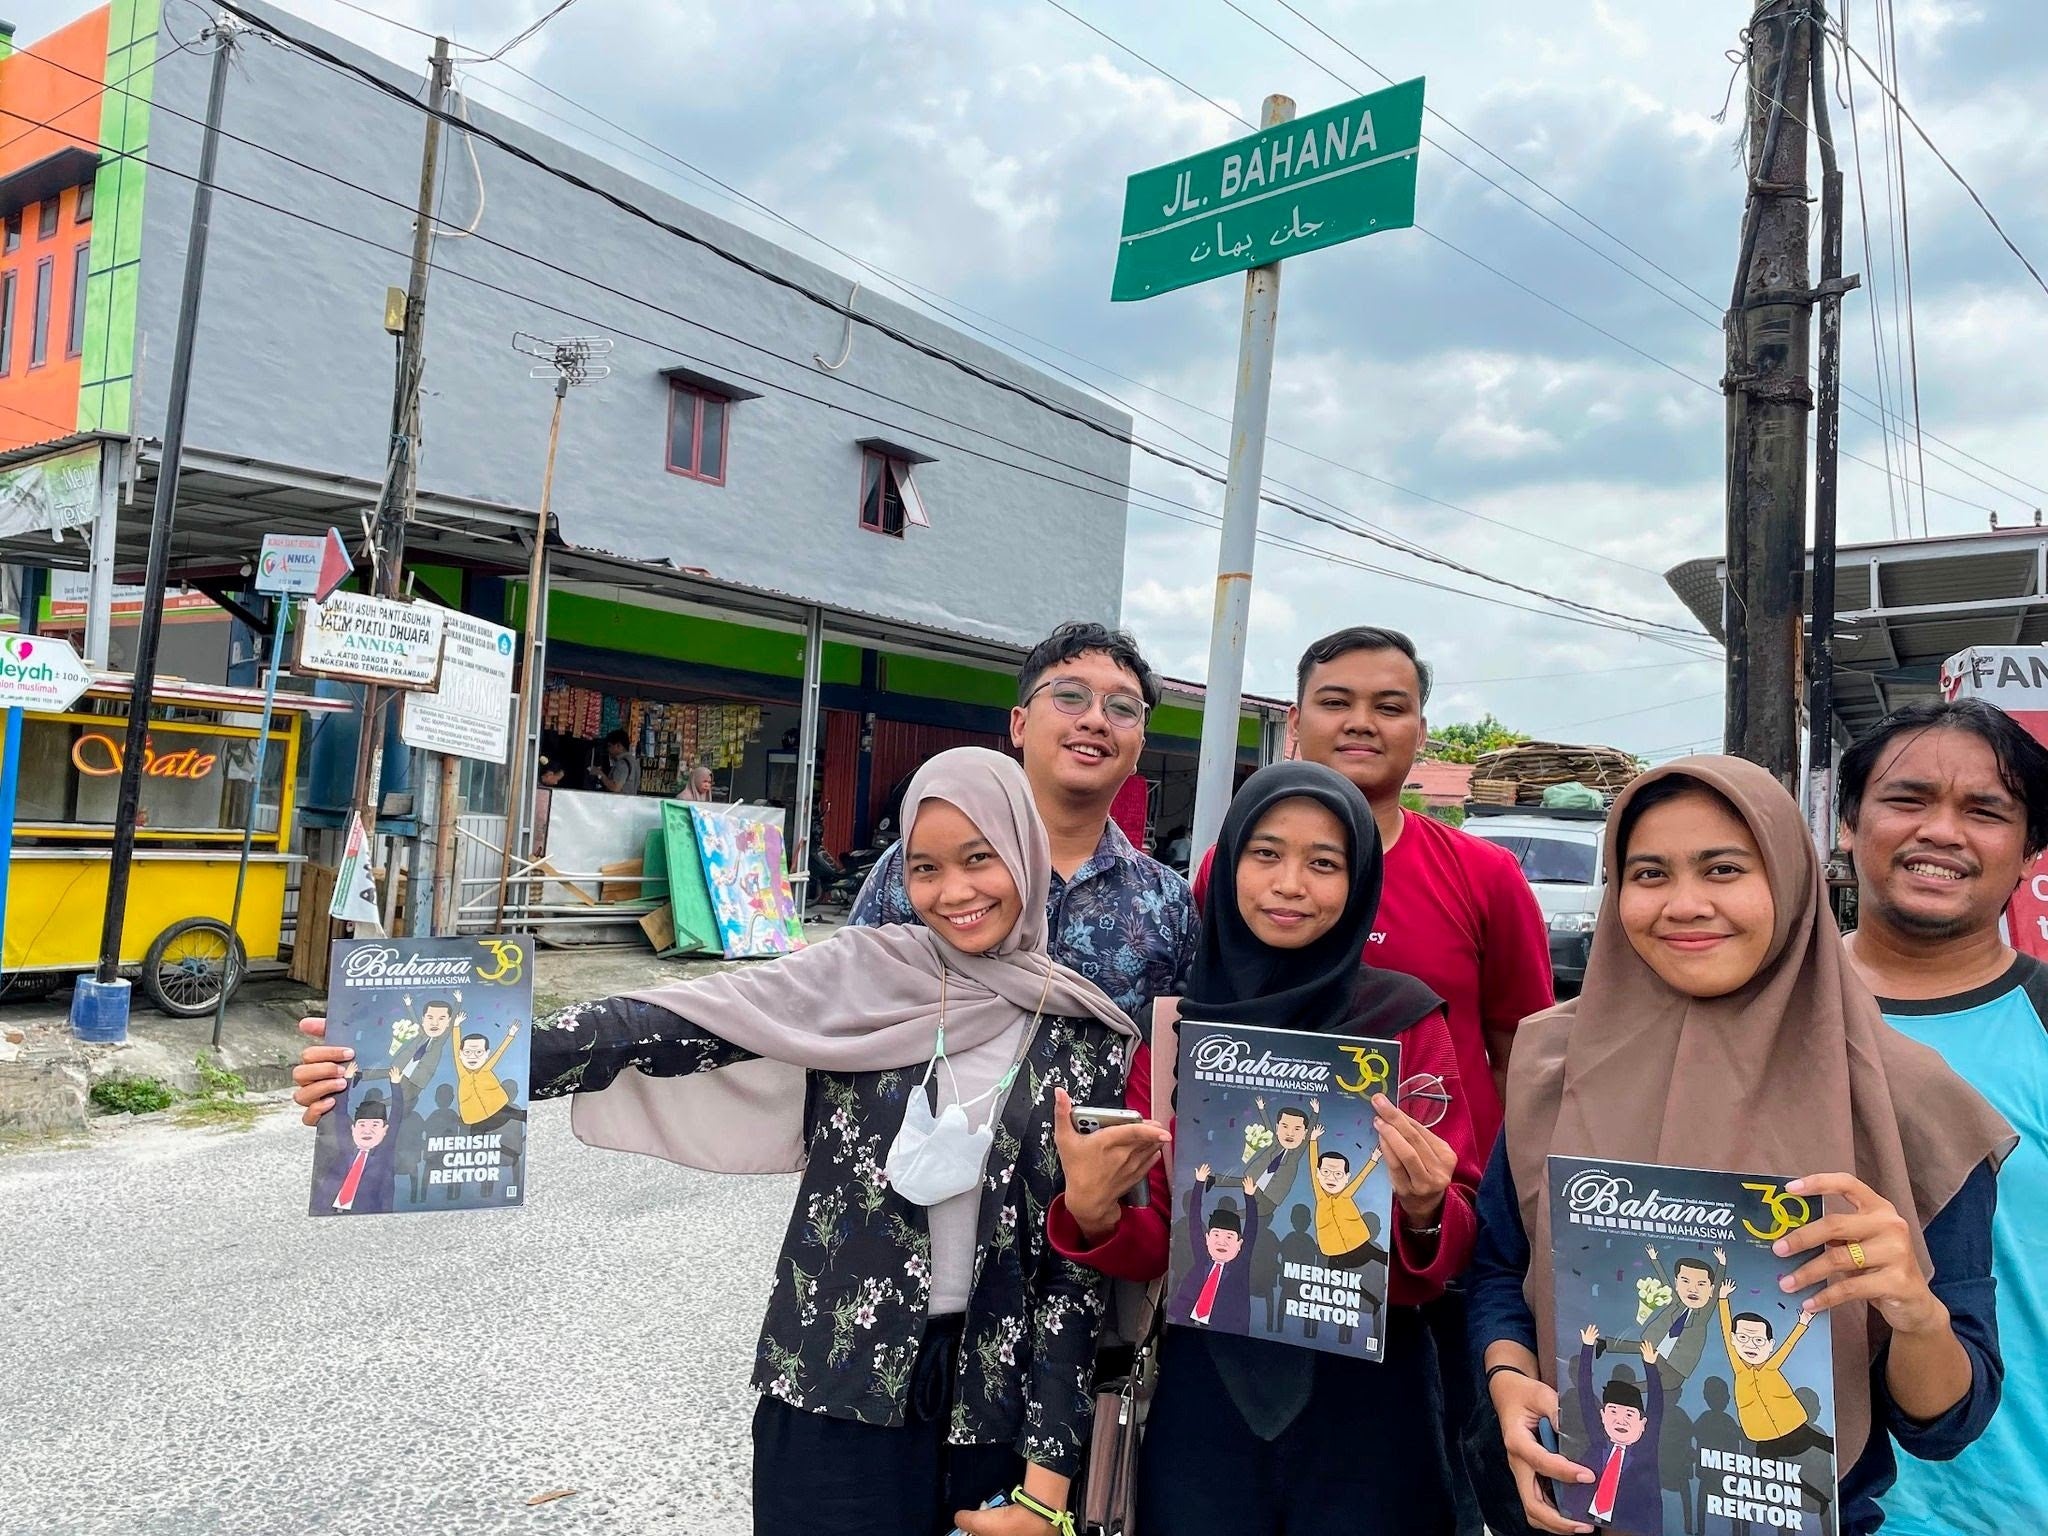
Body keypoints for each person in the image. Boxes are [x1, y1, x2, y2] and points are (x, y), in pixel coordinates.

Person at [294, 748, 1134, 1536]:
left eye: (979, 858)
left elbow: (1072, 1272)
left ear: (1024, 854)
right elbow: (660, 1029)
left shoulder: (1085, 1034)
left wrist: (1044, 1486)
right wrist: (390, 1070)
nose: (955, 890)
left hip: (995, 1403)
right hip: (830, 1383)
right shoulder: (857, 978)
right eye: (926, 867)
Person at [1471, 756, 2015, 1536]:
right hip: (1578, 1504)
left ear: (1791, 881)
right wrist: (1508, 1375)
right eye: (1649, 873)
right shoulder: (1557, 1060)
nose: (1684, 904)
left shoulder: (1908, 1098)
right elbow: (1499, 1264)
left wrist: (1914, 1310)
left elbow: (1945, 1424)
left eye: (1724, 869)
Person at [1049, 761, 1484, 1534]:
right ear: (1228, 865)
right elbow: (1161, 1246)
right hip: (1206, 1400)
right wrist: (1093, 1212)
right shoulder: (1180, 1031)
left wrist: (1423, 1211)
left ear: (1360, 882)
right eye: (1265, 854)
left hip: (1371, 1406)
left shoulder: (1406, 1020)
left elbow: (1456, 1236)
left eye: (1324, 863)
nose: (1290, 884)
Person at [1192, 625, 1553, 1532]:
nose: (1361, 723)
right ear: (1296, 722)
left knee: (1420, 1471)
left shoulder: (1485, 875)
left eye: (1389, 706)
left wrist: (1466, 1209)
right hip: (1252, 1266)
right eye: (1336, 702)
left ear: (1423, 729)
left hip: (1427, 1244)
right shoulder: (1222, 876)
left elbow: (1525, 1049)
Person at [1832, 698, 2048, 1536]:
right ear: (1849, 822)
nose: (1942, 832)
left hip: (2012, 1504)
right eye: (1908, 799)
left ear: (2030, 849)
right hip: (1786, 1502)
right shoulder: (1749, 1015)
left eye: (1986, 811)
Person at [851, 622, 1196, 1023]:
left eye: (1122, 708)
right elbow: (850, 995)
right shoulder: (917, 868)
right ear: (1020, 725)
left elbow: (1176, 1056)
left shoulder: (1169, 903)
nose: (1096, 721)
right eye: (1070, 696)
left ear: (1138, 749)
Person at [600, 729, 640, 795]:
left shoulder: (622, 763)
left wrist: (600, 775)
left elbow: (615, 787)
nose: (608, 750)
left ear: (619, 746)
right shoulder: (634, 761)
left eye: (610, 746)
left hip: (619, 802)